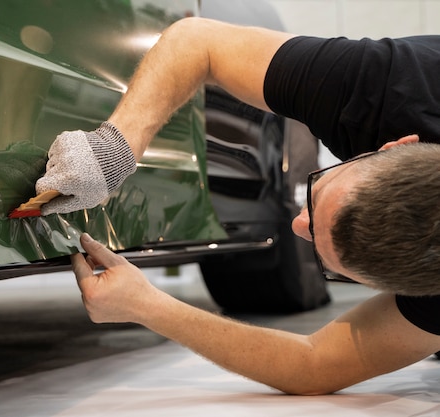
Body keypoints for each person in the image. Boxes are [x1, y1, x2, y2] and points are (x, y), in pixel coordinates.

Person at [35, 17, 440, 394]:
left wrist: (149, 306)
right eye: (314, 200)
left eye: (325, 259)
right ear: (394, 144)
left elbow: (316, 364)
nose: (296, 224)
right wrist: (115, 149)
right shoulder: (391, 86)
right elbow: (200, 42)